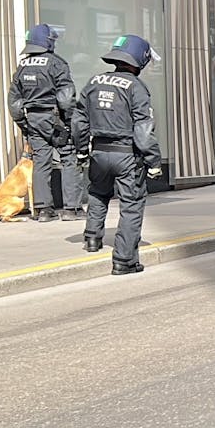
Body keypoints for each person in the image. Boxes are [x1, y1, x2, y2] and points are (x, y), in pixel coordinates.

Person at [72, 35, 165, 276]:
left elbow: (79, 121)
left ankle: (92, 238)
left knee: (97, 193)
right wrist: (153, 161)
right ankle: (124, 260)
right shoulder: (136, 87)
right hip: (126, 155)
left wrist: (82, 151)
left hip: (99, 152)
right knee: (132, 206)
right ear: (139, 61)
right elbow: (143, 129)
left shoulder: (94, 82)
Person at [8, 23, 82, 221]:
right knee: (68, 158)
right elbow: (66, 98)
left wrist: (24, 124)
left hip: (33, 118)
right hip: (56, 118)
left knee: (41, 161)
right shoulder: (56, 63)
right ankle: (71, 209)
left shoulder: (22, 66)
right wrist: (70, 122)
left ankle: (43, 210)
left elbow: (14, 103)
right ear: (48, 42)